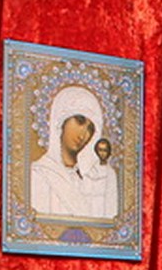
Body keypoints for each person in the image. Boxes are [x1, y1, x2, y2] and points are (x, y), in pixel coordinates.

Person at [29, 84, 109, 220]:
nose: (83, 134)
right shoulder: (39, 173)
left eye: (90, 129)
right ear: (61, 120)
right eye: (80, 121)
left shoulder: (92, 178)